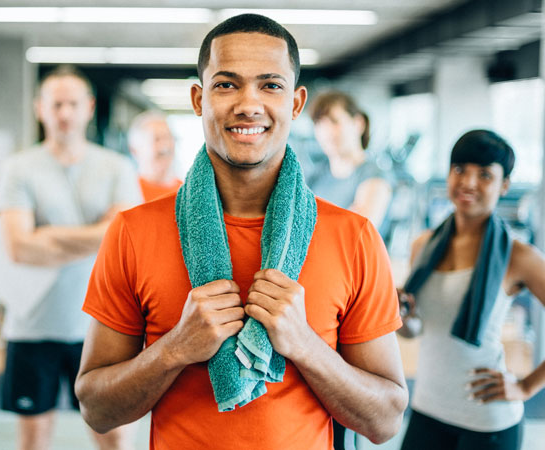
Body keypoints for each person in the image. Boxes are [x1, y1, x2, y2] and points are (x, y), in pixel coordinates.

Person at [76, 14, 408, 450]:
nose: (248, 104)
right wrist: (175, 348)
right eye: (226, 84)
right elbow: (97, 410)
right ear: (199, 99)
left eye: (270, 85)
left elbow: (384, 421)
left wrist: (305, 345)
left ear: (295, 102)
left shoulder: (354, 237)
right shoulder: (132, 232)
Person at [0, 65, 142, 450]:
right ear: (40, 108)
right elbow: (19, 247)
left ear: (89, 107)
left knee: (114, 439)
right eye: (56, 104)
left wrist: (48, 236)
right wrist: (97, 233)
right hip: (31, 327)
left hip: (101, 327)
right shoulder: (17, 169)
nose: (64, 113)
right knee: (33, 442)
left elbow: (121, 241)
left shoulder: (118, 168)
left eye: (73, 104)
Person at [398, 130, 545, 450]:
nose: (469, 183)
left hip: (488, 423)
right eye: (460, 169)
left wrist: (527, 387)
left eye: (485, 174)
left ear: (504, 186)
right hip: (426, 409)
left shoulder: (519, 257)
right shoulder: (423, 246)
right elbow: (414, 330)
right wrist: (400, 314)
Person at [308, 91, 393, 237]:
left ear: (358, 123)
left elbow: (353, 232)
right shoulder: (315, 176)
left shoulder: (374, 176)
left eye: (334, 121)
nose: (326, 131)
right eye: (319, 123)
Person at [127, 110, 182, 202]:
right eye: (156, 139)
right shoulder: (127, 192)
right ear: (135, 150)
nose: (165, 146)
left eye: (169, 137)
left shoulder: (186, 192)